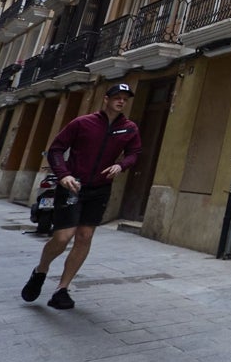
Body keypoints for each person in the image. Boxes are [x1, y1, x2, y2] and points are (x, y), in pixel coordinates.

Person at [20, 82, 141, 310]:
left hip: (100, 189)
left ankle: (62, 289)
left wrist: (121, 166)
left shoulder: (130, 129)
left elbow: (134, 153)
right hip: (73, 185)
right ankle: (40, 270)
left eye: (125, 98)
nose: (121, 101)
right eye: (117, 96)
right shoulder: (82, 123)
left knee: (85, 237)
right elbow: (56, 149)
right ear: (106, 99)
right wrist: (64, 175)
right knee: (63, 238)